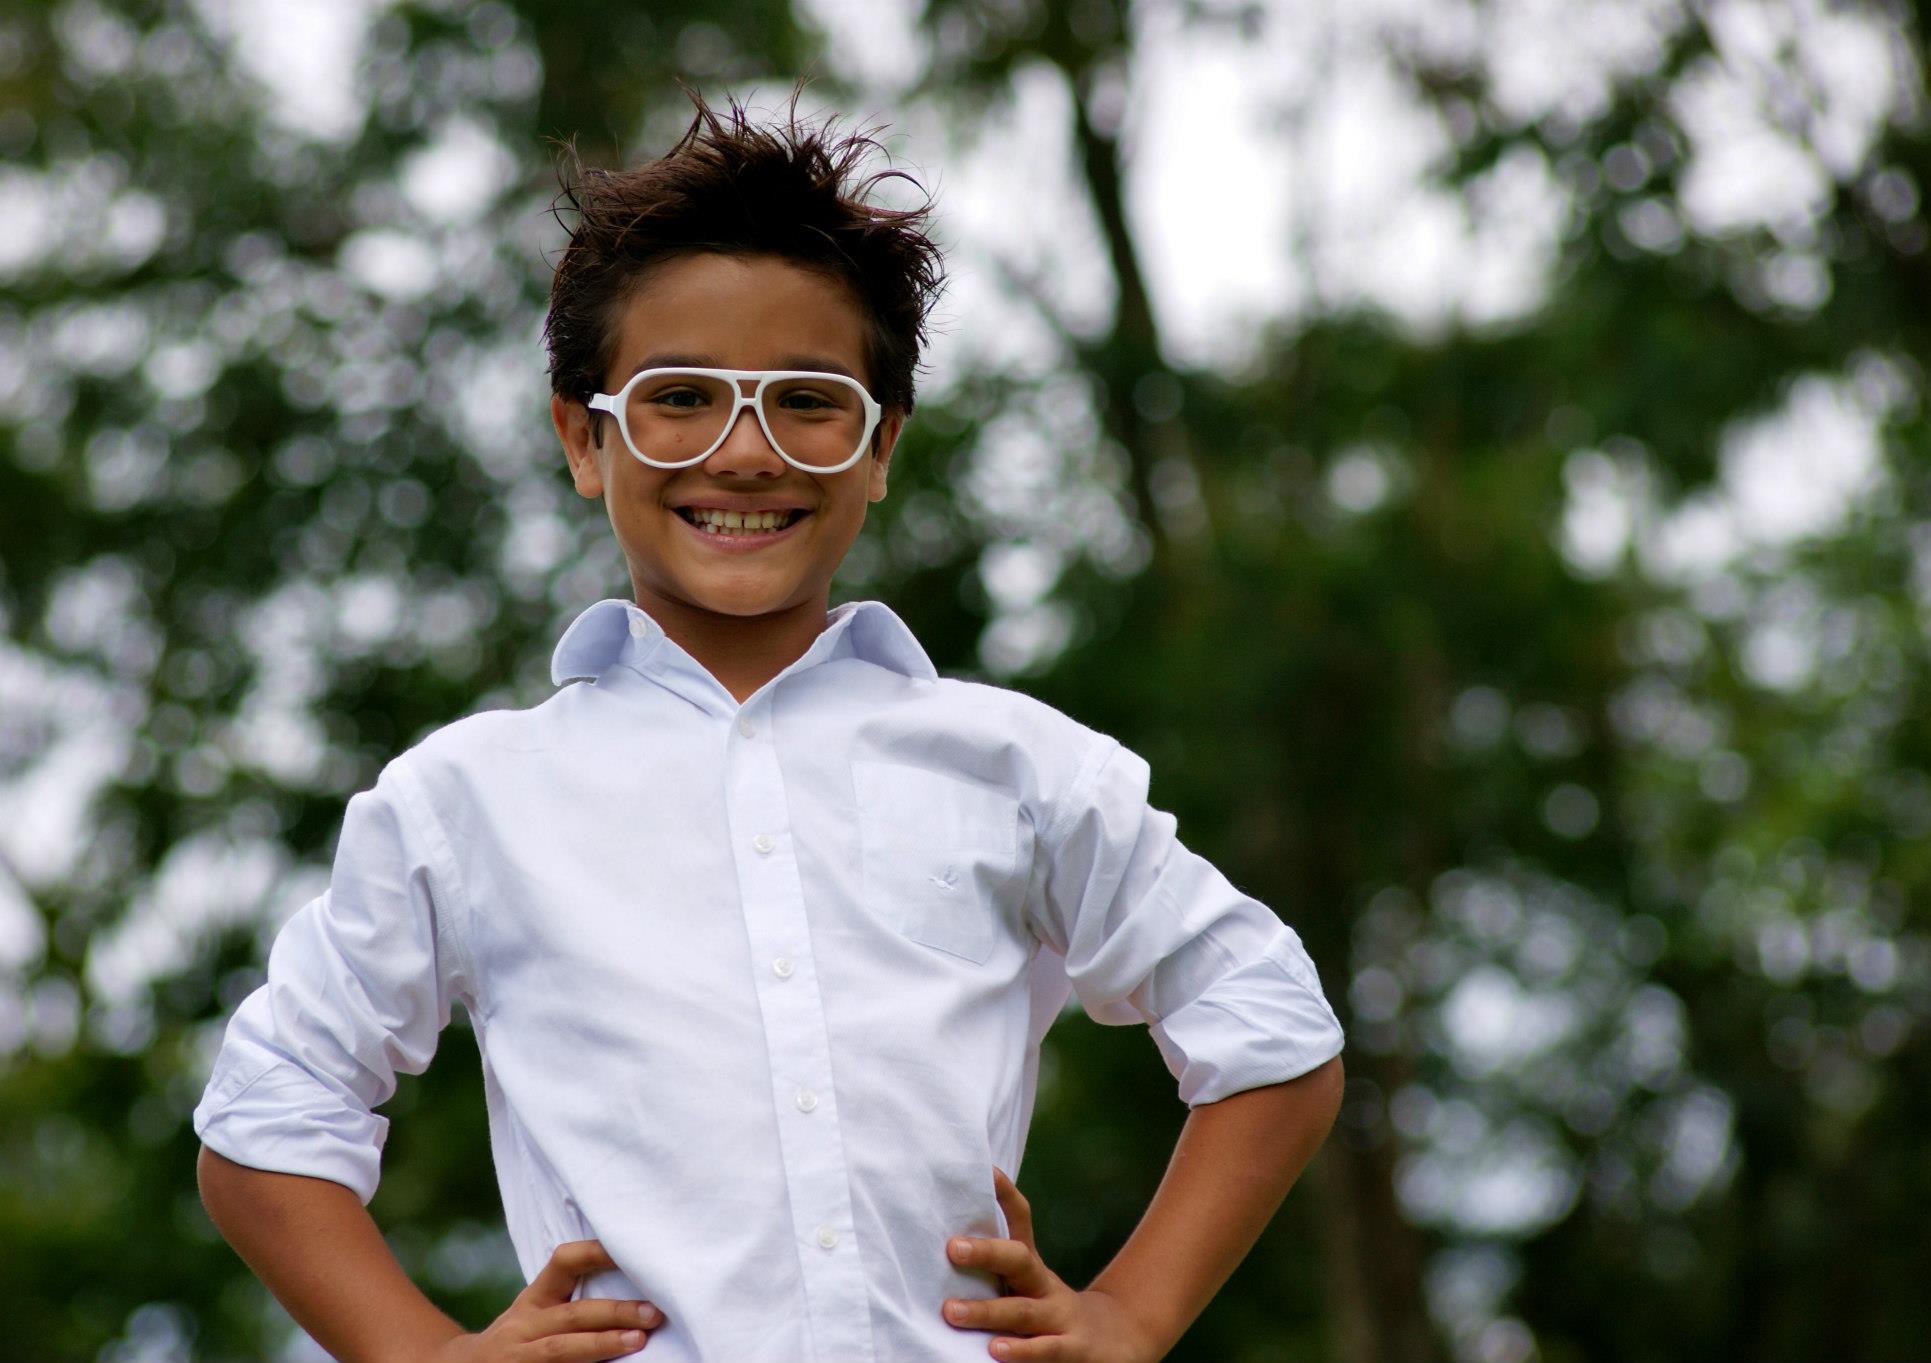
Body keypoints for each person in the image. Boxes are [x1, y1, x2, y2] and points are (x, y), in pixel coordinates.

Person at [192, 90, 1347, 1363]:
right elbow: (268, 1110)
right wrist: (424, 1353)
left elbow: (1267, 1022)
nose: (745, 453)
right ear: (584, 439)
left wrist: (1131, 1313)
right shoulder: (469, 800)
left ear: (879, 445)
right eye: (680, 396)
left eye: (806, 400)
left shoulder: (1016, 766)